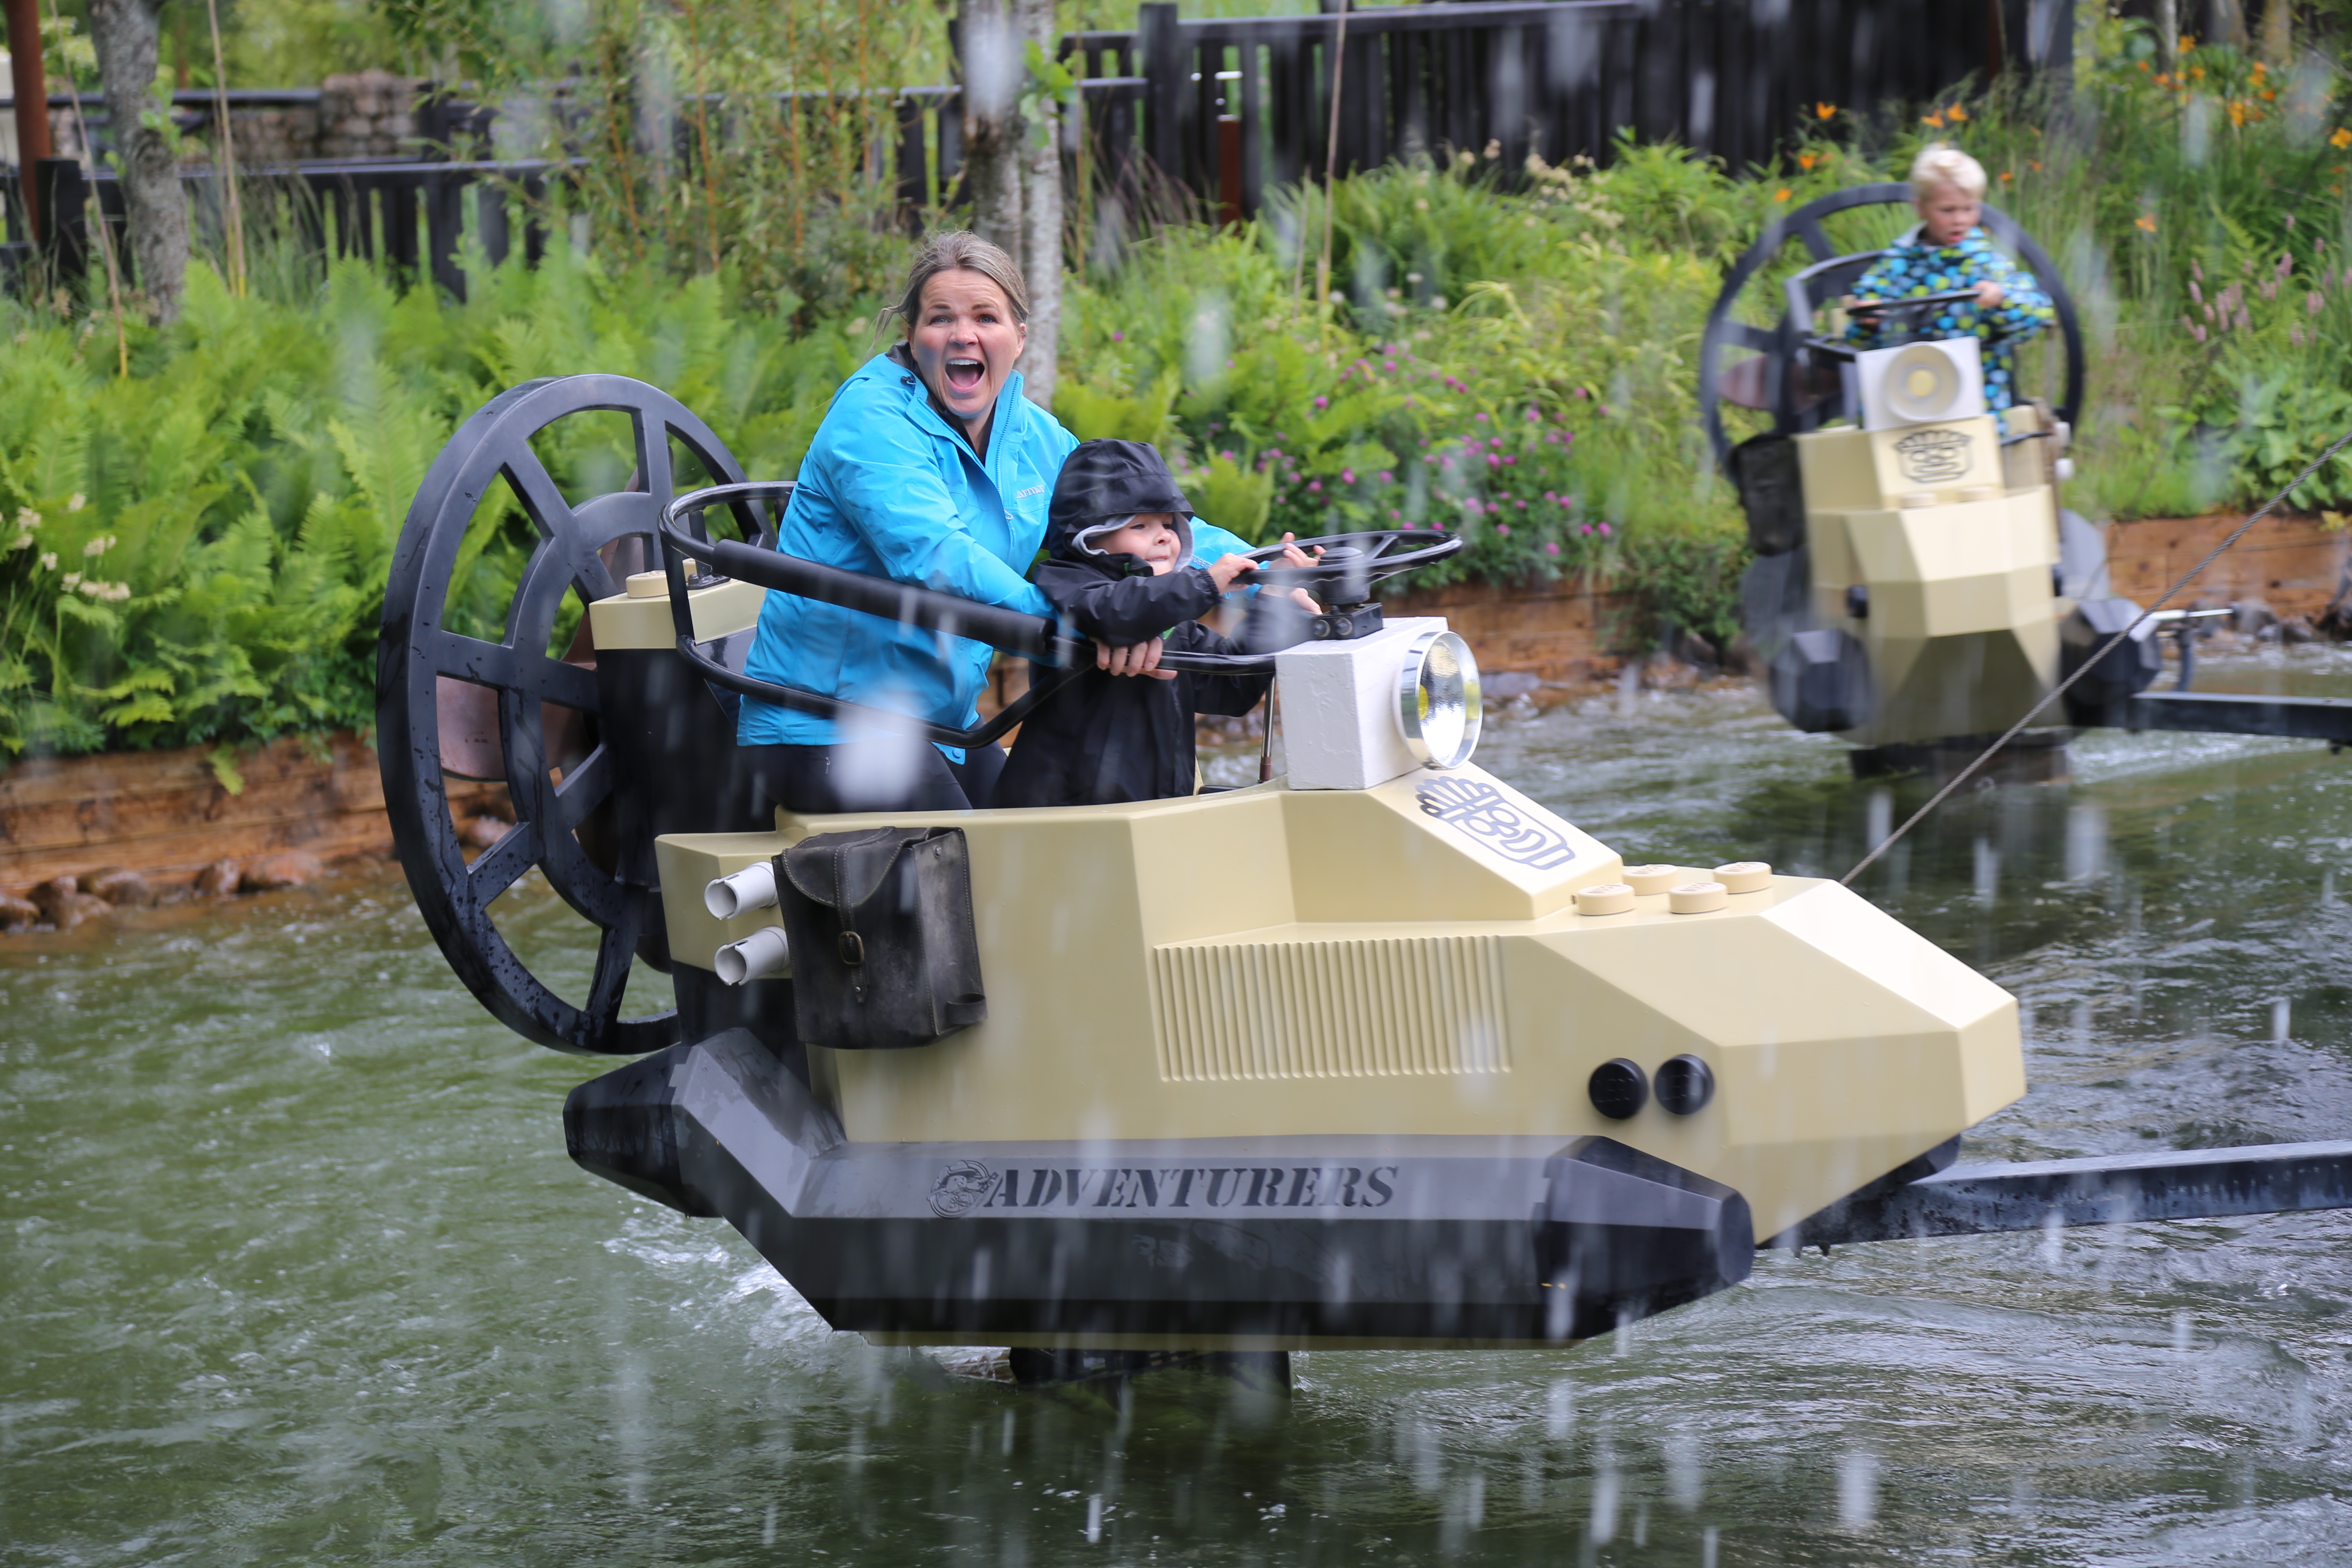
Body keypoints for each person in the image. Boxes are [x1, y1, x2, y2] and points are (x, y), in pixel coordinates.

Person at [733, 231, 1260, 815]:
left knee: (1037, 851)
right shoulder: (870, 418)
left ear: (1019, 338)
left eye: (986, 316)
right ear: (912, 335)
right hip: (828, 724)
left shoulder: (1030, 432)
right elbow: (937, 556)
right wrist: (1088, 628)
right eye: (941, 318)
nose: (964, 335)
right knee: (989, 885)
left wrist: (1262, 569)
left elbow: (1129, 518)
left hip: (943, 723)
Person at [996, 440, 1316, 809]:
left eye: (1168, 524)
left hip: (1150, 814)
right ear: (1090, 537)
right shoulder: (1070, 583)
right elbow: (1113, 614)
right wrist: (1206, 583)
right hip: (1066, 818)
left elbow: (1233, 685)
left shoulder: (1169, 621)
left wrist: (1273, 601)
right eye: (1140, 525)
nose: (1164, 535)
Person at [1844, 143, 2056, 433]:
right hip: (1902, 403)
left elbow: (2035, 311)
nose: (1960, 220)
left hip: (1977, 404)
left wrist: (2001, 300)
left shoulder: (1985, 264)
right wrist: (1867, 319)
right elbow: (1858, 333)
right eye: (1947, 210)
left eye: (1969, 209)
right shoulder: (1897, 264)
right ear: (1920, 208)